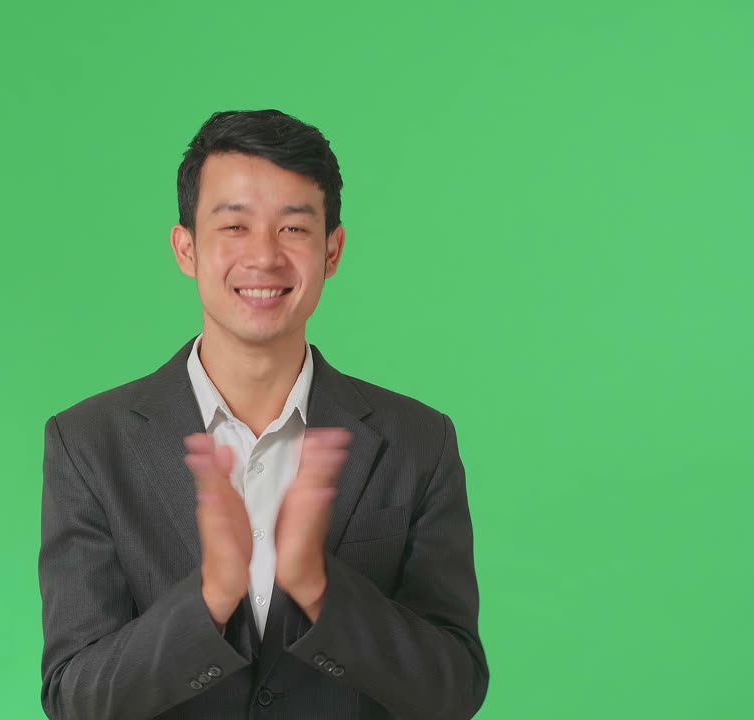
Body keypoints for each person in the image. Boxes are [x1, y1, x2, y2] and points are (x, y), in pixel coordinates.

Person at [38, 109, 488, 719]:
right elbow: (75, 699)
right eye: (235, 227)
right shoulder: (89, 444)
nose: (264, 258)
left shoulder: (418, 442)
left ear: (332, 250)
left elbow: (454, 690)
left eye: (293, 229)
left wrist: (321, 589)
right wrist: (210, 597)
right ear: (186, 248)